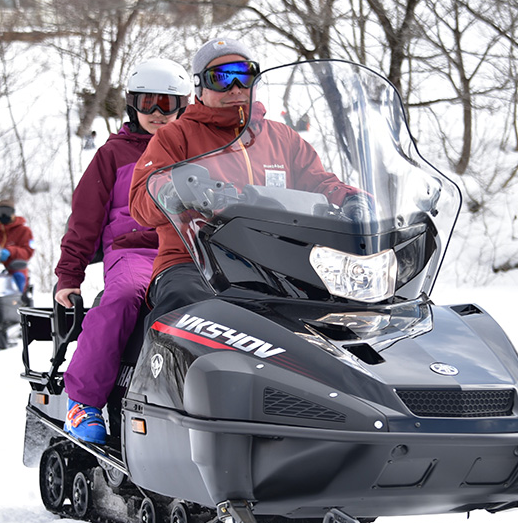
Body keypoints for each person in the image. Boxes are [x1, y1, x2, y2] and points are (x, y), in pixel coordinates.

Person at [129, 38, 363, 328]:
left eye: (245, 75)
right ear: (201, 87)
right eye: (221, 79)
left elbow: (320, 183)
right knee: (189, 308)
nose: (236, 88)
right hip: (193, 261)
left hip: (277, 262)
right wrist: (173, 189)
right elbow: (140, 203)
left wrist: (352, 200)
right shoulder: (175, 136)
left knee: (337, 312)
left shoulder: (281, 138)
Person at [54, 58, 192, 444]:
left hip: (191, 251)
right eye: (149, 103)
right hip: (136, 252)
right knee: (125, 296)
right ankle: (84, 401)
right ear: (133, 103)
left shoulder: (197, 150)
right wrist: (69, 276)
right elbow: (84, 219)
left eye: (168, 104)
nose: (158, 114)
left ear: (184, 105)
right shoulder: (113, 154)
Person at [0, 199, 35, 294]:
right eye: (0, 212)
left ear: (13, 213)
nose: (3, 215)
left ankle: (19, 302)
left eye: (7, 211)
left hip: (14, 268)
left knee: (18, 278)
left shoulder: (24, 231)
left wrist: (10, 251)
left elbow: (28, 251)